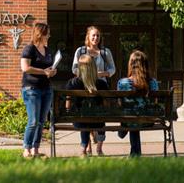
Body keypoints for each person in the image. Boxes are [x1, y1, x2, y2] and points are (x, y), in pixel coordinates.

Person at [71, 25, 116, 154]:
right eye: (93, 35)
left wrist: (102, 74)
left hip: (100, 87)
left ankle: (99, 147)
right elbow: (74, 69)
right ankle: (87, 146)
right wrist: (86, 73)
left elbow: (113, 69)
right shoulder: (80, 51)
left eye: (98, 36)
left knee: (100, 116)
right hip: (84, 87)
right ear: (88, 37)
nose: (96, 38)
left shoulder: (105, 52)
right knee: (85, 116)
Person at [20, 22, 57, 158]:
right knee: (33, 120)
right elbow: (25, 68)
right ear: (40, 33)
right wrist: (44, 72)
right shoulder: (29, 49)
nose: (49, 35)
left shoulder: (48, 51)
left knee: (41, 121)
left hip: (46, 89)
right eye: (47, 33)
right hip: (31, 89)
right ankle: (26, 149)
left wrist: (53, 71)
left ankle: (36, 149)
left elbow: (50, 68)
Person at [117, 50, 158, 157]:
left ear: (131, 65)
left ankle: (124, 130)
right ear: (145, 65)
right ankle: (135, 154)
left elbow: (120, 103)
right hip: (148, 120)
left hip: (129, 120)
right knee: (136, 117)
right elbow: (155, 102)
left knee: (132, 119)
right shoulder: (153, 82)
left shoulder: (123, 83)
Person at [66, 54, 108, 157]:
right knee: (97, 121)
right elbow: (106, 105)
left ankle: (84, 150)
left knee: (84, 121)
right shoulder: (102, 84)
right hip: (98, 121)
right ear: (94, 67)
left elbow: (67, 106)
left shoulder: (72, 83)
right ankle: (99, 149)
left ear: (80, 68)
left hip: (79, 121)